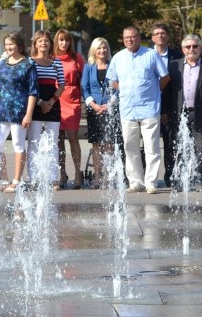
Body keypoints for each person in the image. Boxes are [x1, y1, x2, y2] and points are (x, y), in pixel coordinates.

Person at [107, 25, 170, 194]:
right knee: (130, 147)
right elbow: (112, 80)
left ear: (139, 37)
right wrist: (125, 88)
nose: (129, 40)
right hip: (127, 109)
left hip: (149, 108)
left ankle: (151, 182)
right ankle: (135, 182)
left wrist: (155, 91)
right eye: (126, 37)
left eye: (133, 37)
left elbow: (165, 77)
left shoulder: (151, 54)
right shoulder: (118, 58)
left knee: (152, 148)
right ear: (123, 39)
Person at [163, 34, 202, 191]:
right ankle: (181, 178)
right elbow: (167, 91)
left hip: (201, 114)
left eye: (195, 46)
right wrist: (165, 111)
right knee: (179, 147)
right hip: (179, 113)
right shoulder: (174, 66)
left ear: (200, 48)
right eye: (188, 47)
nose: (191, 49)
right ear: (183, 49)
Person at [0, 32, 38, 193]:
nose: (9, 47)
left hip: (19, 113)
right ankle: (4, 178)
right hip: (2, 112)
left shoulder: (28, 65)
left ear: (19, 45)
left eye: (12, 44)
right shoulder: (2, 64)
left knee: (18, 146)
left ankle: (17, 180)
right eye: (7, 44)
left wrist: (28, 114)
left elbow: (33, 92)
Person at [28, 30, 65, 189]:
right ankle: (34, 178)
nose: (43, 43)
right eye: (40, 41)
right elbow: (28, 85)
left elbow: (62, 84)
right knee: (34, 141)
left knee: (52, 142)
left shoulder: (56, 62)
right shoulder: (29, 62)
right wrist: (40, 102)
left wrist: (50, 102)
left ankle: (52, 178)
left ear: (51, 43)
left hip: (53, 104)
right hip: (35, 102)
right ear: (35, 44)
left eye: (46, 41)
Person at [82, 37, 118, 189]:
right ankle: (97, 175)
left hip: (110, 108)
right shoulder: (88, 67)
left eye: (104, 48)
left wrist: (109, 105)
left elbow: (118, 87)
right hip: (94, 110)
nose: (102, 50)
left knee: (109, 144)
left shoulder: (113, 66)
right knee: (96, 145)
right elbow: (84, 88)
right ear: (94, 50)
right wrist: (94, 105)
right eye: (99, 48)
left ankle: (108, 177)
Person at [151, 23, 184, 187]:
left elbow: (176, 85)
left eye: (163, 33)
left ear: (168, 36)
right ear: (152, 38)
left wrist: (167, 110)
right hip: (148, 107)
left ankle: (170, 175)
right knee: (149, 145)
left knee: (170, 143)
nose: (160, 36)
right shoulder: (147, 55)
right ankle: (150, 178)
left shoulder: (177, 57)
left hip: (170, 106)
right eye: (157, 33)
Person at [53, 29, 85, 189]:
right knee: (58, 139)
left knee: (73, 137)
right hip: (56, 98)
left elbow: (84, 79)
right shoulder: (52, 58)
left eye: (66, 40)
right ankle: (62, 174)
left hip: (72, 99)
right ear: (57, 42)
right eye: (61, 40)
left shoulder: (76, 58)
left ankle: (78, 174)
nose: (64, 43)